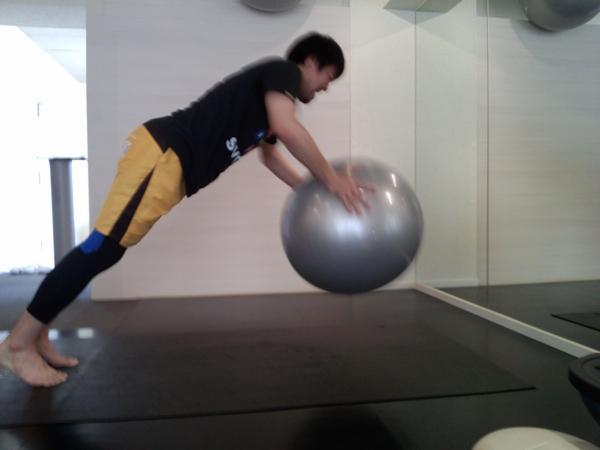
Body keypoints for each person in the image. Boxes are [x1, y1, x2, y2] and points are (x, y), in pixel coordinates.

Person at [0, 32, 369, 387]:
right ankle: (17, 345)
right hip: (163, 156)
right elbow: (287, 129)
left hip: (169, 166)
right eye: (329, 76)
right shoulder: (283, 71)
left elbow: (271, 156)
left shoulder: (271, 104)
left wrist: (310, 190)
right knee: (102, 248)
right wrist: (331, 180)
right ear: (311, 61)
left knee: (105, 249)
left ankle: (38, 332)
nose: (326, 87)